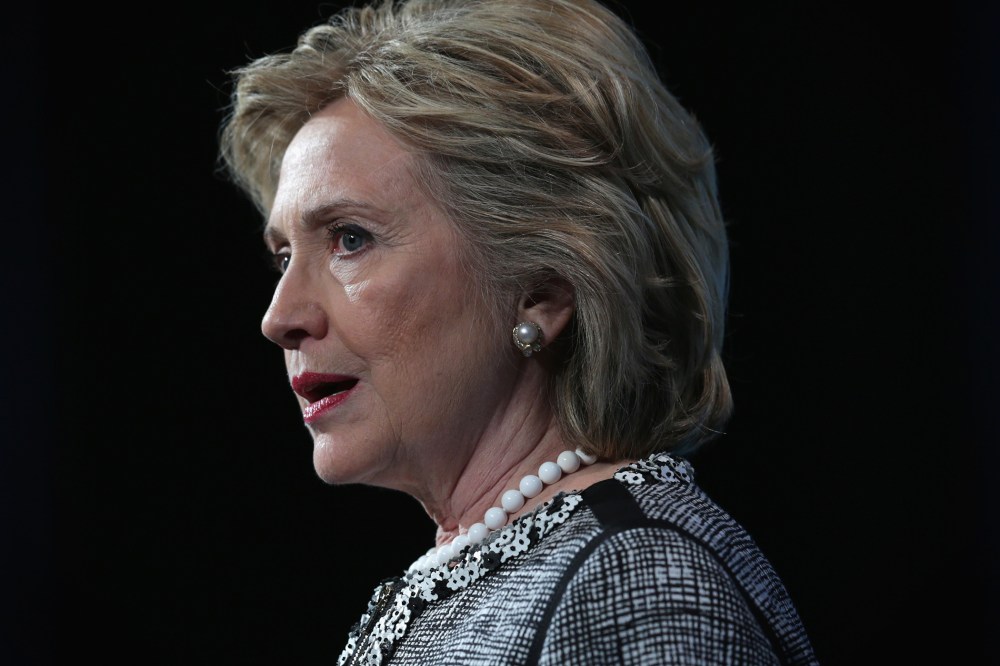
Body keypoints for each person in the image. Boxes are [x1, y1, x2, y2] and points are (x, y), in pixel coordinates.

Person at [218, 0, 819, 663]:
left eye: (350, 239)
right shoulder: (527, 562)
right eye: (283, 257)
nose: (279, 317)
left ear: (541, 292)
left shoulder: (633, 580)